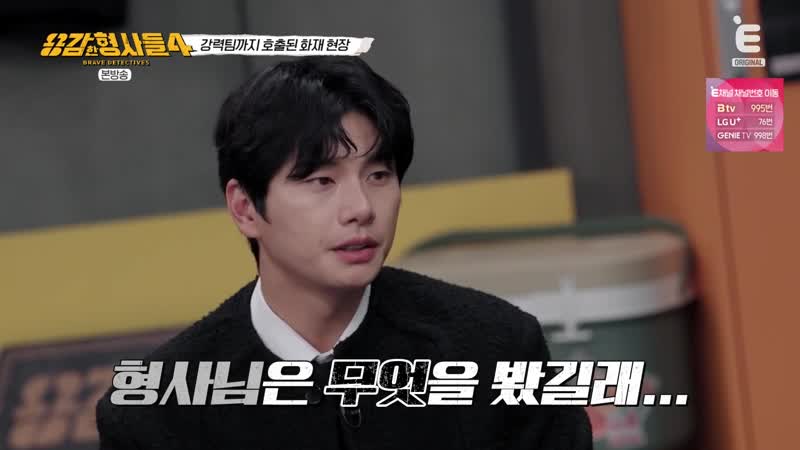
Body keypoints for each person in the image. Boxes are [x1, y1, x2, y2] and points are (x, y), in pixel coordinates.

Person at [96, 55, 593, 450]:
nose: (361, 208)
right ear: (245, 208)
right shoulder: (157, 414)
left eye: (378, 175)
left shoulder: (499, 352)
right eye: (321, 180)